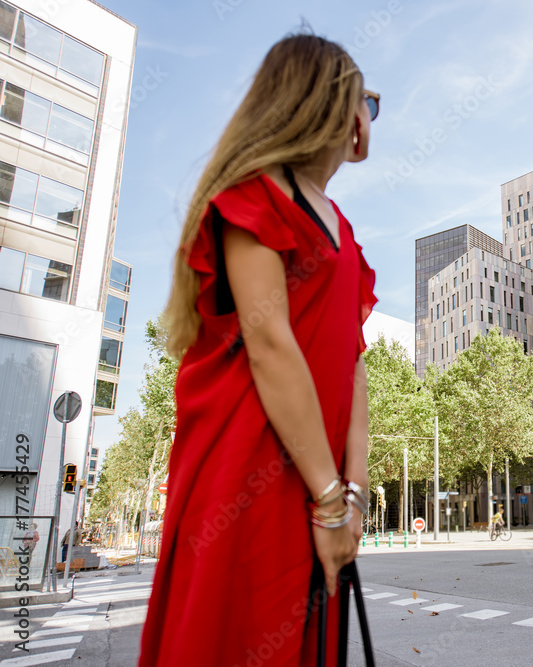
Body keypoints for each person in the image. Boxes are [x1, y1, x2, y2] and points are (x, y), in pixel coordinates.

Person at [140, 33, 378, 666]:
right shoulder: (257, 193)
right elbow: (271, 345)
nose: (368, 120)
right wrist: (331, 501)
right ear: (327, 104)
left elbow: (356, 366)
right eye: (366, 101)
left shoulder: (346, 233)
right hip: (248, 468)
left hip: (315, 480)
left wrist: (349, 498)